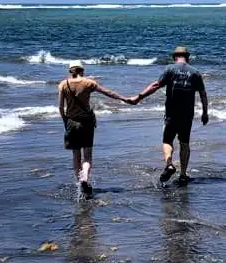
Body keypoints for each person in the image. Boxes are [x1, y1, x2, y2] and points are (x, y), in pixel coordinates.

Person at [133, 46, 208, 186]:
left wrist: (140, 96)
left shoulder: (169, 69)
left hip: (171, 113)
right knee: (184, 143)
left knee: (167, 141)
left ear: (174, 57)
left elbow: (156, 85)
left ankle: (169, 164)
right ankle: (183, 174)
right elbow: (203, 94)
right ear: (188, 57)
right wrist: (205, 113)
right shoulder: (195, 72)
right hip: (187, 115)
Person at [58, 60, 133, 198]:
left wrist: (65, 122)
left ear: (70, 71)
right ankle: (85, 177)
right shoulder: (88, 83)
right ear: (82, 70)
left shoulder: (63, 84)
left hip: (71, 122)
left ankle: (80, 182)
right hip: (86, 123)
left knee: (76, 155)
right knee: (87, 155)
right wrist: (125, 99)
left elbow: (60, 108)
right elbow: (108, 92)